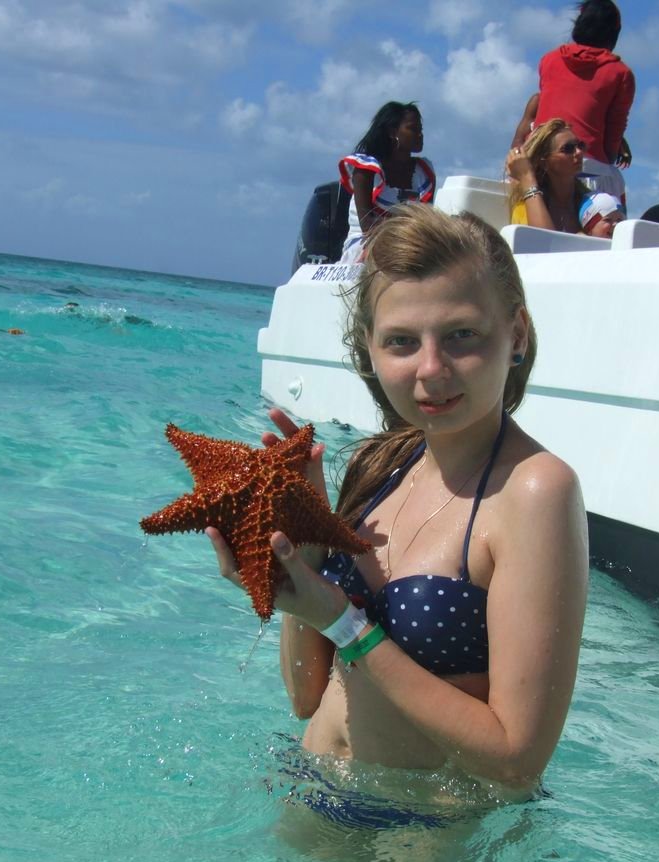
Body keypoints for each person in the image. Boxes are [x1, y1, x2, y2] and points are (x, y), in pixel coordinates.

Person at [207, 204, 588, 801]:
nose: (431, 369)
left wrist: (345, 621)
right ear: (370, 348)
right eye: (402, 342)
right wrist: (301, 554)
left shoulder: (534, 490)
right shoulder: (378, 465)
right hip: (311, 790)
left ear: (516, 335)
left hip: (421, 833)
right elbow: (305, 696)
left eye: (461, 335)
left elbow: (516, 760)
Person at [524, 0, 634, 207]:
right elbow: (612, 138)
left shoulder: (549, 60)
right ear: (613, 33)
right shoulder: (621, 74)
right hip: (587, 169)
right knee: (613, 186)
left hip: (539, 164)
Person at [338, 102, 436, 263]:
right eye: (413, 128)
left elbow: (427, 219)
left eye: (421, 129)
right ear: (392, 132)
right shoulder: (366, 169)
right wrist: (408, 233)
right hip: (367, 242)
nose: (420, 134)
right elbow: (367, 225)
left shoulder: (423, 171)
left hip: (409, 243)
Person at [505, 118, 590, 233]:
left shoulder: (593, 202)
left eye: (580, 145)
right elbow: (544, 241)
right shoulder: (525, 209)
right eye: (568, 149)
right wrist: (527, 178)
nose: (579, 152)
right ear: (544, 163)